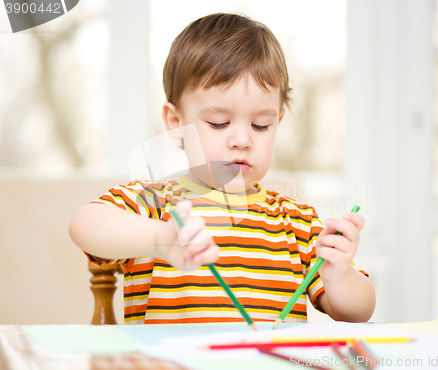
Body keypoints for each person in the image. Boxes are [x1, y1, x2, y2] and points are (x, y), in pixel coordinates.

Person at [69, 12, 375, 325]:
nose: (242, 139)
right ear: (176, 123)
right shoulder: (156, 206)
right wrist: (161, 238)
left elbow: (359, 311)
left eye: (260, 125)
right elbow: (84, 225)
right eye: (219, 123)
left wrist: (339, 275)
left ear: (278, 122)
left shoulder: (297, 223)